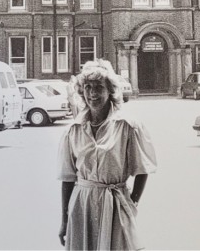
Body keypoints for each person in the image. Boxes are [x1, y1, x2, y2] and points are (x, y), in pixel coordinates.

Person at [57, 59, 157, 250]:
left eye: (98, 87)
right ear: (81, 91)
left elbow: (142, 169)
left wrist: (132, 201)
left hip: (115, 205)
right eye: (87, 87)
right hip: (82, 205)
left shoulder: (128, 125)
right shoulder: (74, 130)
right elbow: (68, 179)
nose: (92, 93)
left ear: (110, 91)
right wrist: (64, 220)